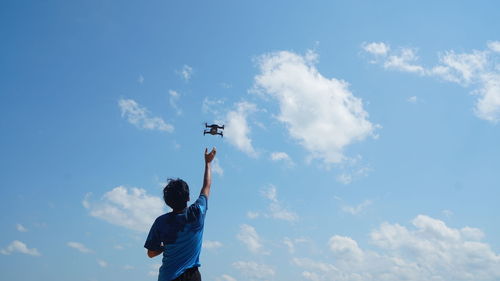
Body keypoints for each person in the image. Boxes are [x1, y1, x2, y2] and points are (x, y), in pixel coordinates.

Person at [145, 147, 217, 281]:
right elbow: (207, 186)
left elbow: (151, 253)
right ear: (188, 198)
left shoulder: (160, 222)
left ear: (167, 202)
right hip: (191, 276)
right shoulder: (197, 213)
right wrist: (208, 163)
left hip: (168, 277)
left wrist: (165, 246)